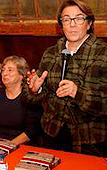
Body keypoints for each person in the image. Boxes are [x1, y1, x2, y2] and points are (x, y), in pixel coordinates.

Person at [25, 0, 107, 156]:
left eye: (79, 18)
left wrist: (78, 92)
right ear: (61, 25)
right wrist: (36, 89)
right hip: (51, 134)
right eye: (67, 19)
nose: (72, 24)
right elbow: (36, 97)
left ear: (89, 24)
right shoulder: (50, 53)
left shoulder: (103, 54)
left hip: (89, 139)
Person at [0, 56, 41, 145]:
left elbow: (31, 132)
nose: (4, 73)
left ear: (22, 75)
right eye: (3, 70)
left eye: (10, 70)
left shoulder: (30, 98)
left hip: (21, 146)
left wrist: (9, 145)